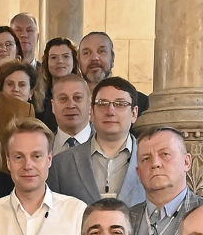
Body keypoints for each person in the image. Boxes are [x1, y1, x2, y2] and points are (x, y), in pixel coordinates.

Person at [50, 77, 143, 206]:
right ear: (91, 112)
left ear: (134, 113)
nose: (110, 111)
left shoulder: (150, 160)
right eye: (102, 103)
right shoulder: (61, 164)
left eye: (120, 104)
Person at [77, 31, 149, 113]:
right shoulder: (67, 104)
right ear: (79, 61)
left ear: (112, 59)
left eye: (101, 51)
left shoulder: (140, 102)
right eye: (86, 53)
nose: (94, 58)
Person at [47, 72, 90, 151]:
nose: (70, 105)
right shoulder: (43, 147)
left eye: (77, 98)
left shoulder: (108, 144)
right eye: (63, 99)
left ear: (89, 103)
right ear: (53, 106)